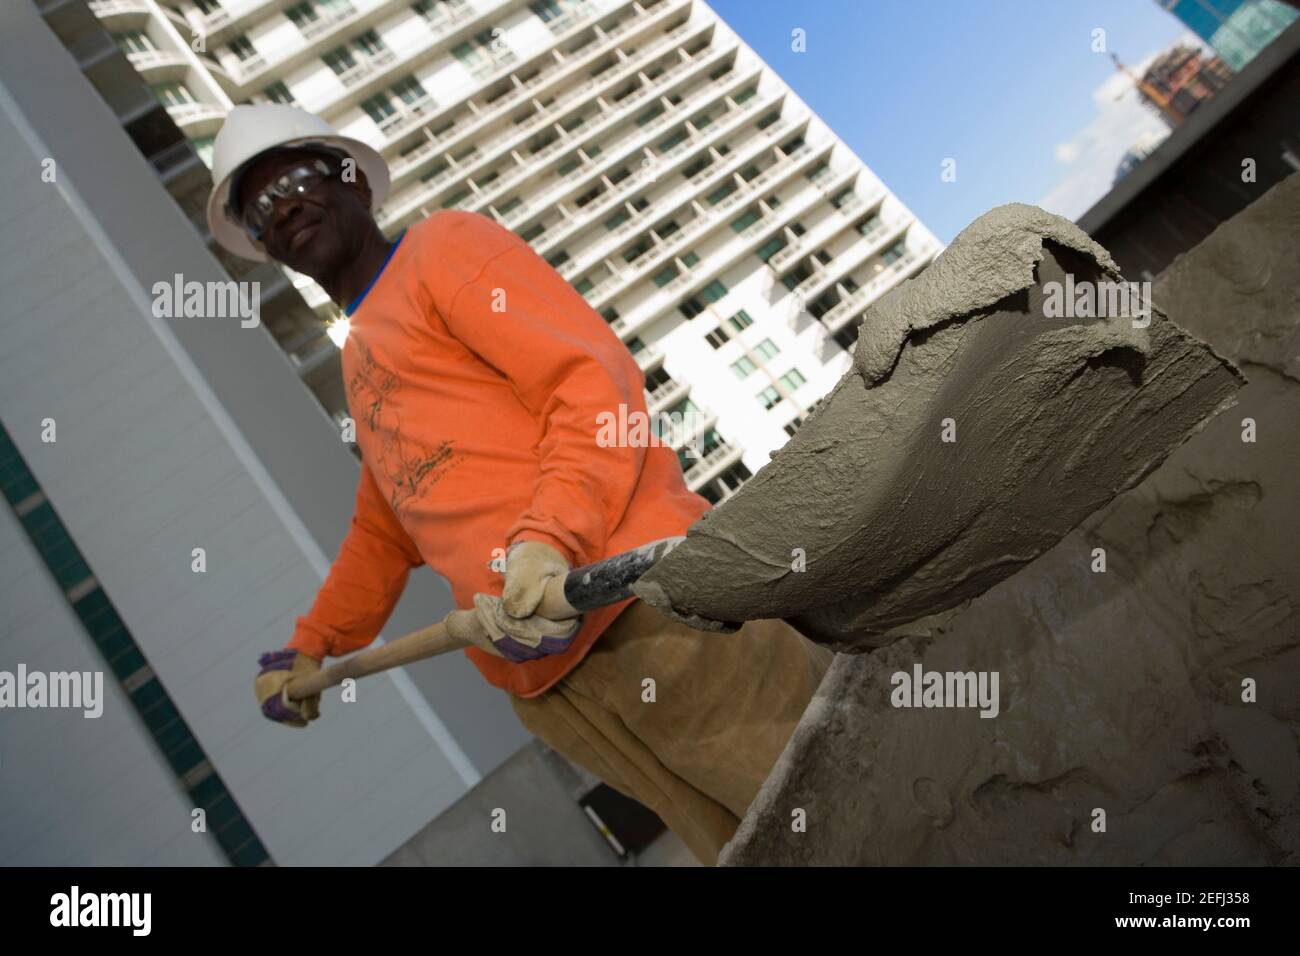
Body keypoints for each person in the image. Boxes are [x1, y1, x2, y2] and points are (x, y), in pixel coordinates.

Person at [211, 105, 833, 864]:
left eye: (300, 180)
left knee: (855, 805)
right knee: (767, 852)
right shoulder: (360, 362)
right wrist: (309, 649)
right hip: (556, 689)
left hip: (650, 610)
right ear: (266, 247)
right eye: (262, 211)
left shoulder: (444, 249)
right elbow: (384, 533)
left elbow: (591, 385)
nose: (286, 210)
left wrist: (548, 543)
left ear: (352, 185)